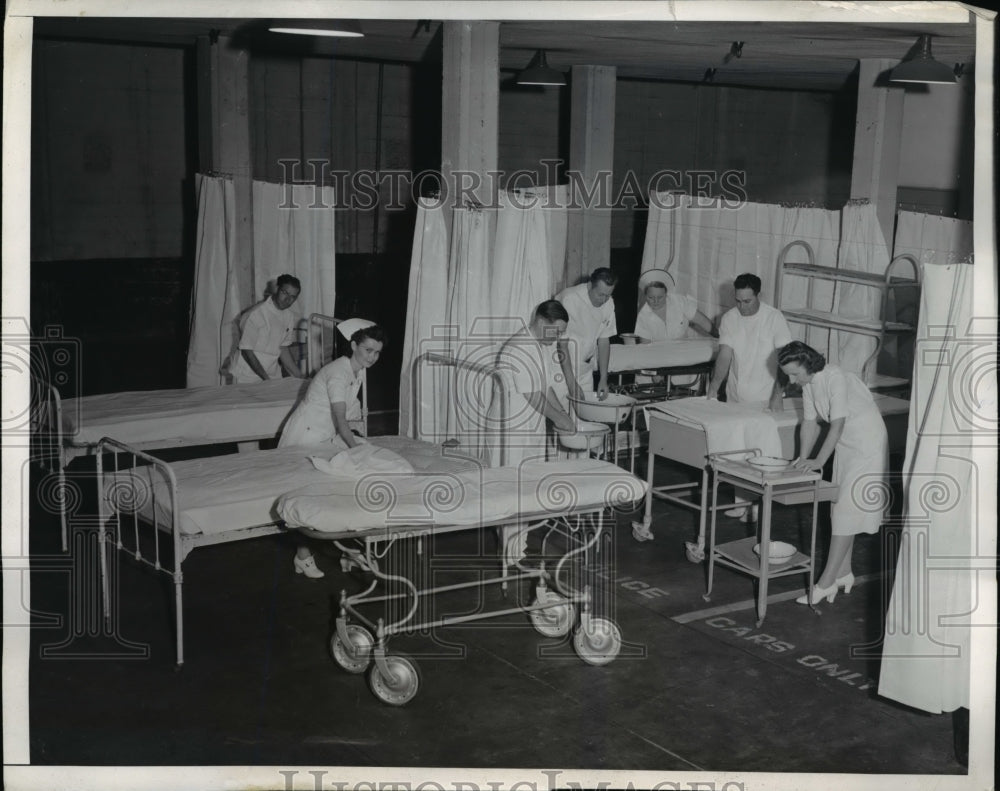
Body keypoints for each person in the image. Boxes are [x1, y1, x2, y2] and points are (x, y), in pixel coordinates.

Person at [778, 340, 888, 605]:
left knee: (846, 510)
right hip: (846, 444)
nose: (791, 380)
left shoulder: (835, 378)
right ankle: (843, 572)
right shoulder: (809, 384)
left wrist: (818, 461)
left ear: (808, 364)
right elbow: (809, 423)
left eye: (794, 373)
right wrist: (802, 458)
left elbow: (836, 425)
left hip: (866, 443)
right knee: (837, 506)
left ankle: (825, 583)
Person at [278, 321, 385, 578]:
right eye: (368, 350)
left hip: (323, 436)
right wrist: (355, 449)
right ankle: (302, 557)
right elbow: (340, 420)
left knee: (335, 493)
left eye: (377, 352)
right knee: (305, 497)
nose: (372, 357)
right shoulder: (338, 372)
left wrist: (359, 440)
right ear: (353, 346)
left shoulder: (356, 371)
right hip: (304, 437)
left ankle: (350, 553)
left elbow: (350, 413)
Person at [495, 300, 580, 467]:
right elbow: (533, 395)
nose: (558, 338)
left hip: (530, 424)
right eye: (557, 332)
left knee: (531, 477)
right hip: (513, 427)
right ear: (541, 322)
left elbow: (545, 387)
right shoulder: (519, 348)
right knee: (512, 481)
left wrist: (562, 413)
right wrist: (560, 419)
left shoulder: (538, 346)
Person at [706, 272, 791, 410]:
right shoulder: (729, 318)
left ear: (759, 296)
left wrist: (778, 395)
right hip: (734, 398)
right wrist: (713, 388)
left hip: (766, 400)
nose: (742, 307)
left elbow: (786, 360)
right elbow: (724, 356)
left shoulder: (775, 318)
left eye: (747, 301)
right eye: (738, 301)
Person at [556, 268, 618, 400]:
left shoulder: (609, 303)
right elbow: (562, 345)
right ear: (590, 285)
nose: (604, 300)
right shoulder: (568, 299)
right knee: (561, 416)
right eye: (600, 295)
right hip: (561, 368)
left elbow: (604, 341)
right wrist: (572, 384)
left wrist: (603, 379)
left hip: (585, 369)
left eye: (608, 295)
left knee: (583, 416)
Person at [229, 274, 304, 383]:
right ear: (277, 289)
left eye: (292, 297)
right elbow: (247, 352)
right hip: (245, 377)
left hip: (272, 377)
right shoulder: (255, 314)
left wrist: (301, 376)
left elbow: (283, 349)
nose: (287, 299)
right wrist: (267, 380)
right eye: (285, 293)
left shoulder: (289, 316)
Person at [634, 271, 715, 342]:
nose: (656, 301)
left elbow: (702, 321)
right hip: (657, 355)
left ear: (666, 294)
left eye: (660, 297)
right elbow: (645, 346)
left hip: (683, 352)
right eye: (651, 297)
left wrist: (721, 337)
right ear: (645, 295)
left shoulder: (679, 302)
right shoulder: (641, 314)